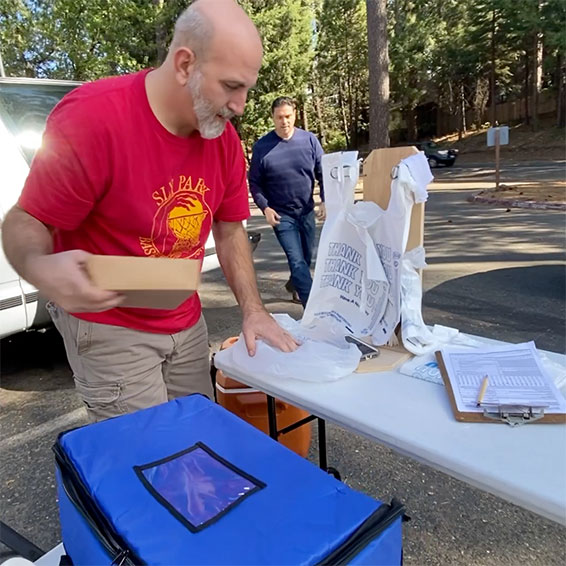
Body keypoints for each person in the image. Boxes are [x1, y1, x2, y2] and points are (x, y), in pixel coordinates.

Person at [1, 0, 298, 423]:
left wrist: (254, 310)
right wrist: (40, 266)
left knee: (195, 438)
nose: (241, 105)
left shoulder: (224, 142)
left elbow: (230, 231)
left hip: (182, 316)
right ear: (183, 65)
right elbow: (25, 219)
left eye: (247, 88)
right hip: (108, 321)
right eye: (232, 86)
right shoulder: (94, 119)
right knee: (149, 457)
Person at [248, 97, 325, 307]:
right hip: (282, 215)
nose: (285, 121)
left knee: (305, 258)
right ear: (273, 118)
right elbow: (254, 183)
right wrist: (265, 207)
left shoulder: (309, 141)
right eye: (280, 117)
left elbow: (323, 172)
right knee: (297, 261)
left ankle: (294, 285)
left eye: (288, 116)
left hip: (306, 211)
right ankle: (313, 309)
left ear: (295, 115)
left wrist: (324, 200)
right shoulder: (263, 147)